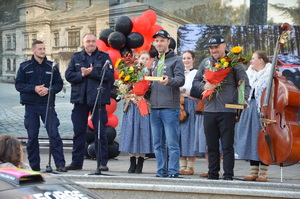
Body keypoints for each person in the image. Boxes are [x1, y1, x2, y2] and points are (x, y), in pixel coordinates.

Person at [192, 35, 250, 180]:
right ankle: (213, 174)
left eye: (216, 47)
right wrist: (204, 86)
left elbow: (244, 83)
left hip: (228, 110)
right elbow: (195, 82)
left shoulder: (234, 62)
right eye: (211, 48)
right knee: (211, 146)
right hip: (209, 110)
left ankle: (228, 175)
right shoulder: (205, 63)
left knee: (227, 146)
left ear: (224, 46)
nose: (214, 50)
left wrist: (244, 99)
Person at [15, 40, 67, 172]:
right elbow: (19, 85)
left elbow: (59, 84)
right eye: (40, 49)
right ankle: (34, 166)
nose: (43, 51)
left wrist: (48, 90)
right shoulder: (24, 66)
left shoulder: (52, 66)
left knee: (54, 134)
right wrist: (34, 88)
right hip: (31, 106)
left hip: (47, 105)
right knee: (32, 137)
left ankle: (60, 164)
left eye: (44, 49)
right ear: (33, 50)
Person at [65, 33, 114, 171]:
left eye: (93, 41)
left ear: (96, 43)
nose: (91, 43)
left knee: (100, 132)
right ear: (83, 43)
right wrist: (81, 74)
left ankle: (102, 163)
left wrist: (91, 73)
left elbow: (109, 75)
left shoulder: (104, 57)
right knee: (79, 132)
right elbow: (68, 75)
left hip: (98, 100)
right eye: (88, 41)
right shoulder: (76, 57)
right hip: (80, 100)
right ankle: (76, 163)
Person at [149, 30, 185, 178]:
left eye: (162, 40)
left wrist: (169, 80)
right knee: (157, 144)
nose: (159, 43)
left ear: (168, 42)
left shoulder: (176, 60)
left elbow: (181, 80)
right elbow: (151, 84)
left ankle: (173, 171)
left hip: (170, 108)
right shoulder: (154, 62)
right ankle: (161, 171)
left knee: (172, 143)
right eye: (157, 40)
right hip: (154, 107)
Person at [235, 50, 271, 182]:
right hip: (249, 108)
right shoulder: (248, 73)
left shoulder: (270, 73)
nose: (251, 61)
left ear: (261, 60)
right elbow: (243, 92)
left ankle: (263, 172)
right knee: (250, 138)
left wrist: (278, 76)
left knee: (263, 139)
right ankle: (253, 171)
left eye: (253, 58)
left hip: (263, 109)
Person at [119, 51, 153, 174]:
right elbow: (124, 86)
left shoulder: (150, 74)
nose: (144, 60)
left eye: (146, 59)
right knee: (131, 133)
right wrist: (130, 95)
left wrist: (142, 96)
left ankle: (141, 162)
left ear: (149, 61)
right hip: (131, 106)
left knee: (142, 133)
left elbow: (152, 90)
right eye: (142, 58)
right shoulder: (131, 71)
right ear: (138, 59)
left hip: (143, 106)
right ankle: (132, 161)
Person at [178, 50, 198, 175]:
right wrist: (185, 92)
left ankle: (190, 166)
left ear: (193, 59)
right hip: (179, 105)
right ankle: (182, 165)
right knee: (179, 134)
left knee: (190, 134)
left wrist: (184, 90)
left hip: (191, 105)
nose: (186, 60)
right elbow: (175, 89)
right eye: (184, 58)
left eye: (188, 58)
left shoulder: (196, 73)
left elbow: (195, 93)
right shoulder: (179, 73)